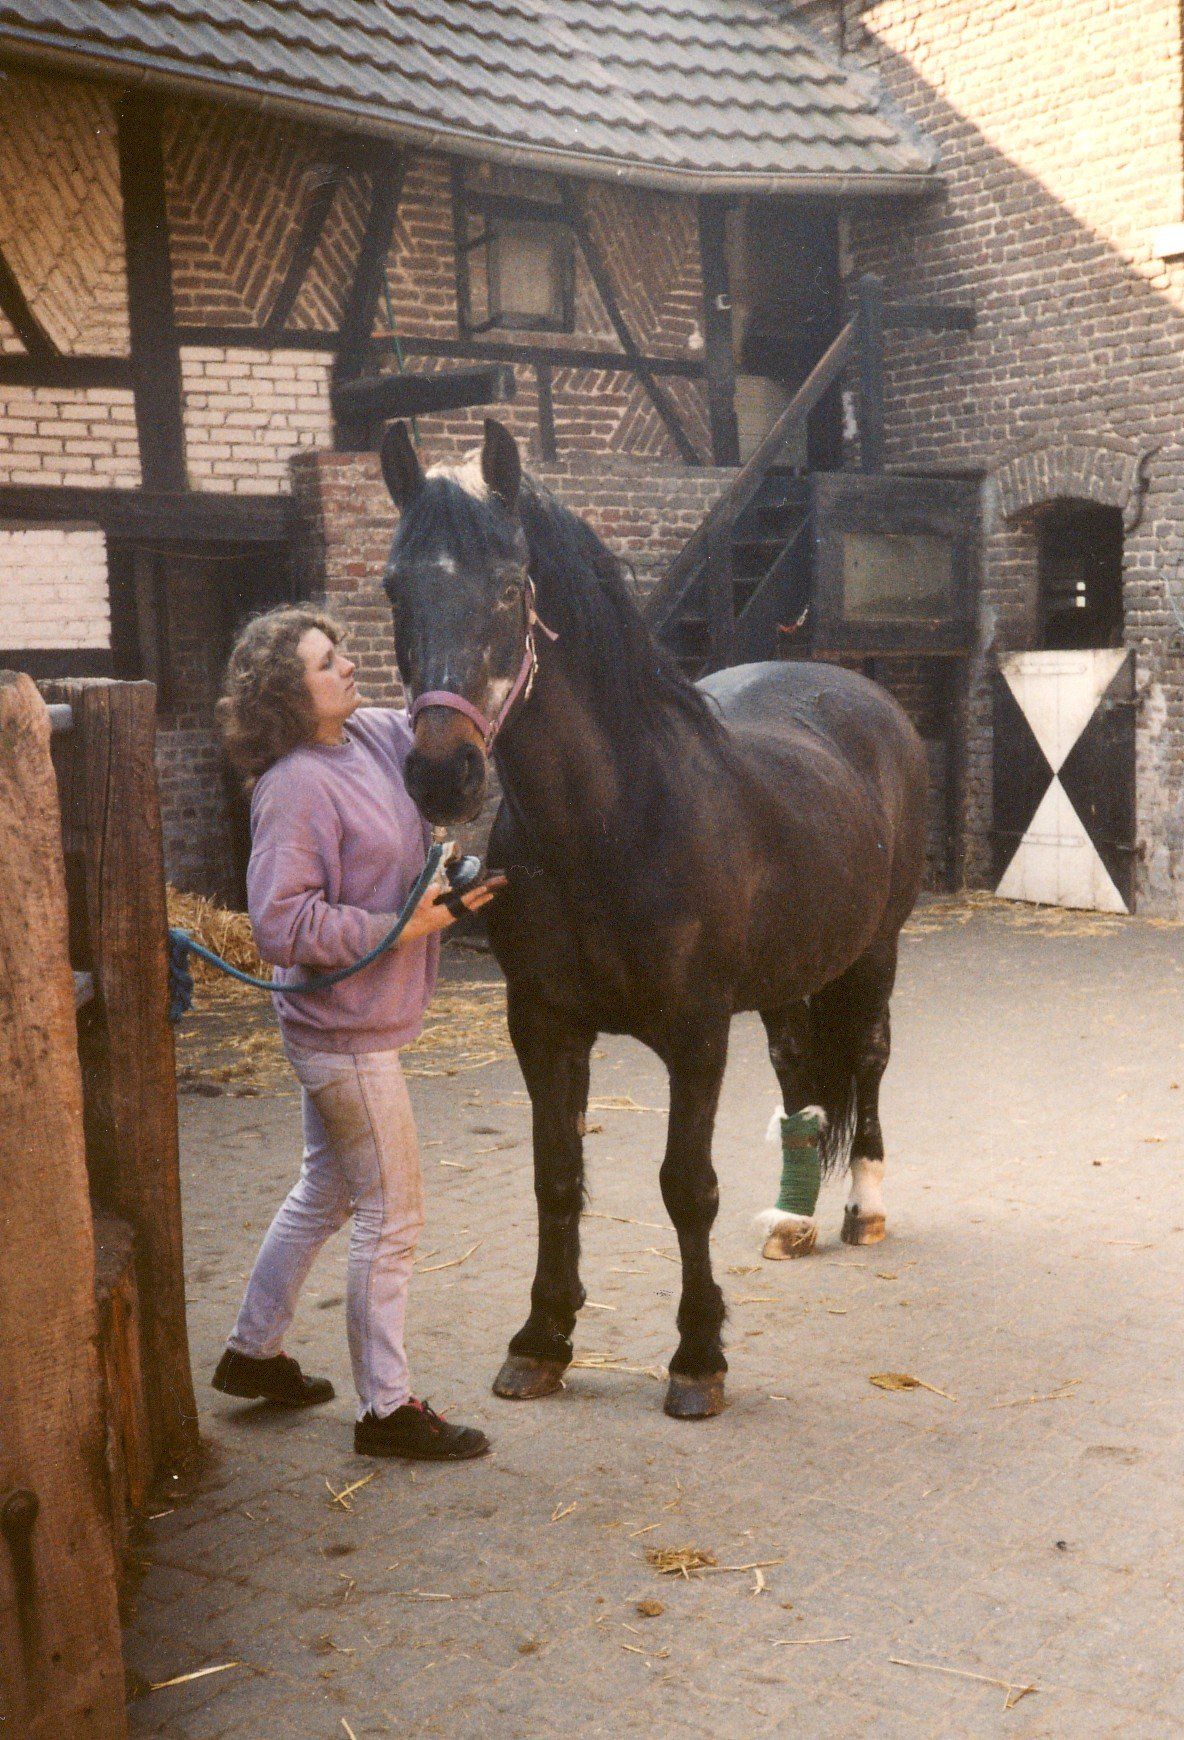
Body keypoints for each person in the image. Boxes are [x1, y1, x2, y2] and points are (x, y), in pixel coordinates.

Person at [210, 606, 502, 1461]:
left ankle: (252, 1353)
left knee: (327, 1193)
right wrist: (406, 924)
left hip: (359, 1021)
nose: (347, 665)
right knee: (392, 1214)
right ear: (286, 696)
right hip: (343, 1031)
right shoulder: (295, 784)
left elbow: (443, 728)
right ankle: (386, 1409)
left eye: (339, 651)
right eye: (323, 661)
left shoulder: (373, 736)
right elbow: (281, 925)